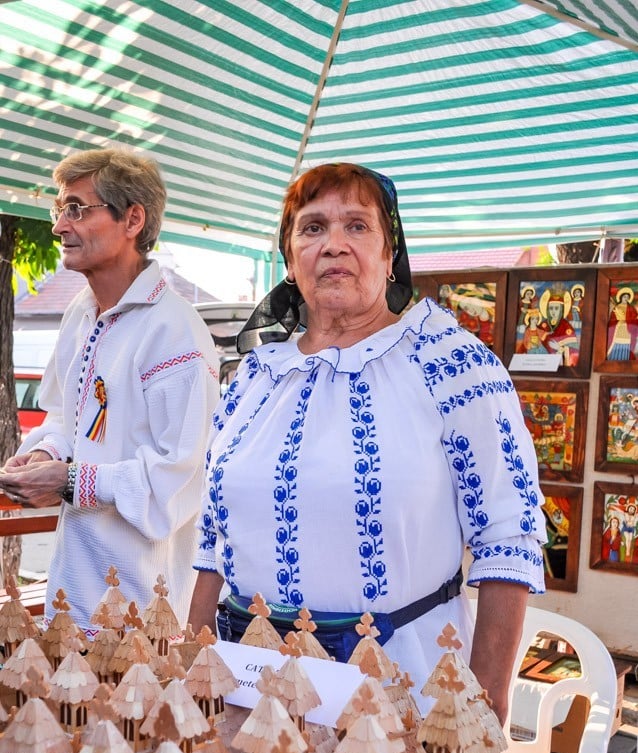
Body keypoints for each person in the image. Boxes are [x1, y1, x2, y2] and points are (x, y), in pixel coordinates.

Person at [188, 162, 545, 724]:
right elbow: (212, 538)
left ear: (389, 253)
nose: (333, 245)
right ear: (289, 258)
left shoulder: (450, 363)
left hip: (397, 689)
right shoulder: (254, 378)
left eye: (357, 226)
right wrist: (195, 665)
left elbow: (508, 536)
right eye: (312, 228)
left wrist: (485, 699)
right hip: (246, 682)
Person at [0, 148, 219, 632]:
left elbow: (179, 478)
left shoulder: (174, 331)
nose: (60, 226)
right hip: (71, 589)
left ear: (133, 219)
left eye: (77, 208)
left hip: (142, 609)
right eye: (61, 210)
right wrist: (45, 455)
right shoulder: (80, 312)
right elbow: (63, 417)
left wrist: (70, 480)